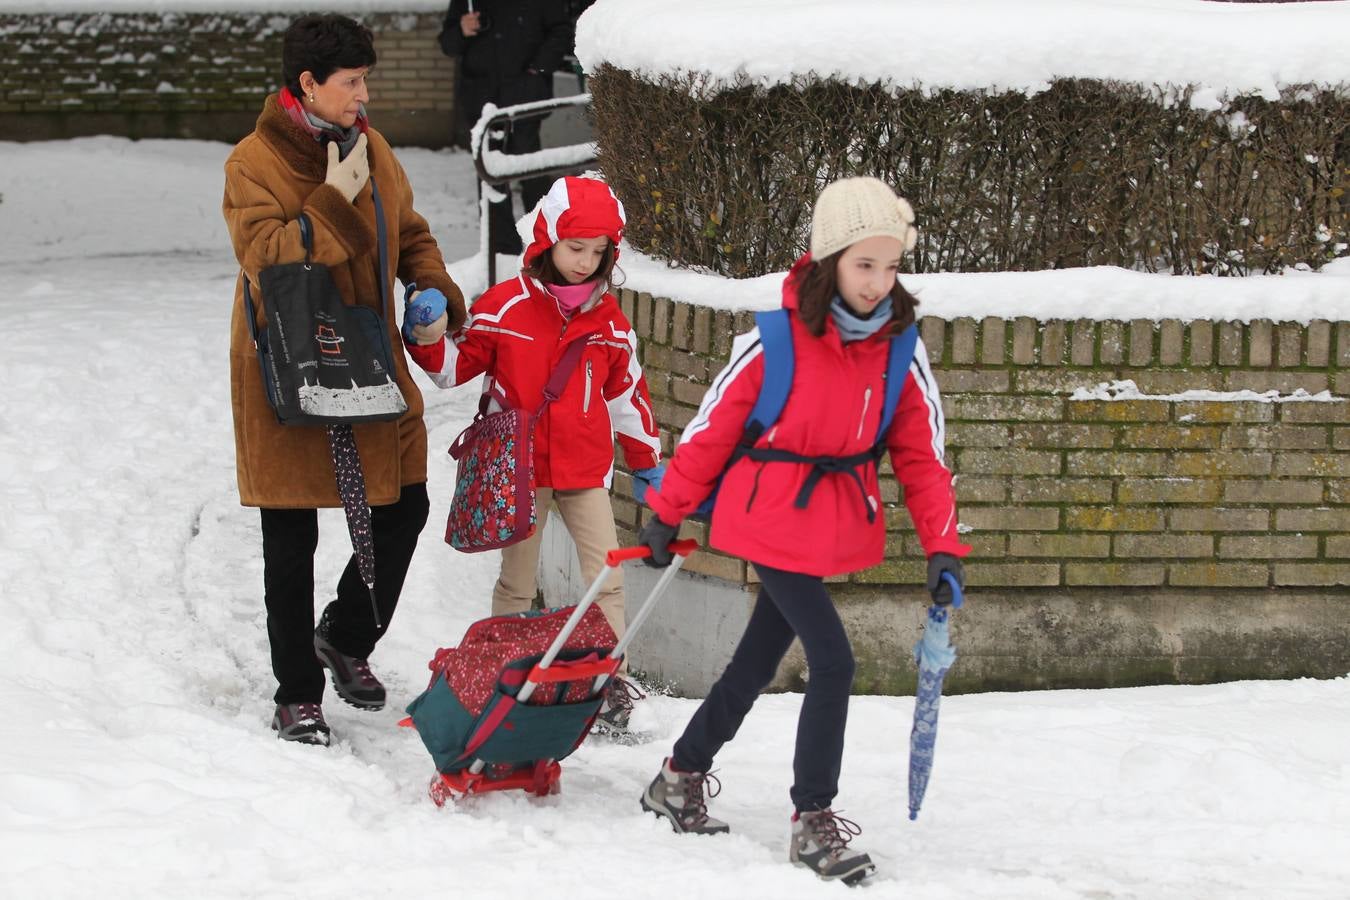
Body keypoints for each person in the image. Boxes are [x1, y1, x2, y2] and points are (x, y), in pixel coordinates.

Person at [634, 177, 970, 883]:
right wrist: (667, 511)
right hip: (766, 516)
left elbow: (923, 457)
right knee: (835, 661)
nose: (878, 282)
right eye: (863, 264)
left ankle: (679, 774)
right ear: (829, 261)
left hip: (827, 521)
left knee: (757, 662)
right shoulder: (776, 342)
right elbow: (710, 431)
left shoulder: (900, 350)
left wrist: (943, 545)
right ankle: (813, 819)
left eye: (890, 265)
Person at [223, 14, 466, 747]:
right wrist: (332, 197)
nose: (363, 96)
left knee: (405, 505)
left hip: (372, 364)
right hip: (287, 372)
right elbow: (267, 257)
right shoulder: (251, 163)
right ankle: (296, 691)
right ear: (307, 85)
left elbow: (412, 232)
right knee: (289, 537)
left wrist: (430, 288)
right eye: (351, 83)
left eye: (366, 81)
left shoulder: (375, 148)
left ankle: (345, 635)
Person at [403, 174, 662, 734]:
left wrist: (646, 462)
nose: (586, 263)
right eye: (575, 249)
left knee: (607, 578)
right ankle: (506, 671)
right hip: (518, 473)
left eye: (599, 252)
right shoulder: (506, 308)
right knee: (518, 582)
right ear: (546, 241)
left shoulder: (611, 324)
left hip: (584, 471)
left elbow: (626, 395)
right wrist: (426, 337)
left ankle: (606, 683)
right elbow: (453, 370)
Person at [437, 0, 573, 255]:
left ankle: (545, 242)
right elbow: (448, 43)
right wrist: (462, 31)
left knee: (531, 166)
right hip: (482, 98)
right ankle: (500, 251)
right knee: (490, 175)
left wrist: (537, 70)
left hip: (526, 96)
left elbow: (561, 32)